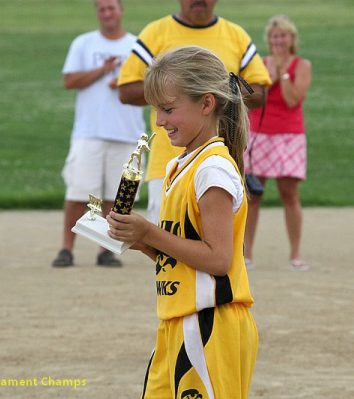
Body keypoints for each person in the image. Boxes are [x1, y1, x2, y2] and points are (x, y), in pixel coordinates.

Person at [107, 46, 257, 399]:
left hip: (209, 325)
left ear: (206, 104)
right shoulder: (181, 165)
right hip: (177, 322)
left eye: (168, 109)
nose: (158, 120)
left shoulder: (212, 169)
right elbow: (181, 257)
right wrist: (138, 238)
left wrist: (150, 232)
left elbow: (218, 260)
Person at [117, 0, 271, 225]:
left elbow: (259, 92)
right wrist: (179, 90)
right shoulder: (156, 32)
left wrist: (207, 90)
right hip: (167, 161)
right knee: (170, 245)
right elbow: (126, 91)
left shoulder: (236, 35)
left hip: (220, 156)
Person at [52, 0, 145, 268]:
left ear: (121, 10)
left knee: (117, 198)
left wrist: (124, 83)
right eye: (102, 9)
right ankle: (66, 249)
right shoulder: (84, 43)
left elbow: (150, 82)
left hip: (127, 131)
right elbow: (69, 81)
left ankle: (107, 249)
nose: (107, 13)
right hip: (89, 131)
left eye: (111, 8)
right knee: (79, 192)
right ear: (97, 13)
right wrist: (102, 71)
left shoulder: (137, 44)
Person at [243, 15, 312, 271]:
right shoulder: (259, 64)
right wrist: (267, 77)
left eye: (283, 35)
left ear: (292, 38)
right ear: (268, 40)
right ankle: (246, 252)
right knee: (253, 196)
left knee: (289, 194)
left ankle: (295, 254)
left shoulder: (301, 65)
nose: (279, 40)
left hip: (289, 135)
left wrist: (281, 73)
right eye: (274, 36)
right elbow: (251, 97)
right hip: (259, 133)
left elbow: (294, 99)